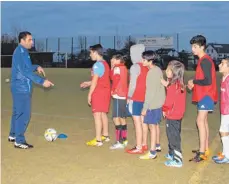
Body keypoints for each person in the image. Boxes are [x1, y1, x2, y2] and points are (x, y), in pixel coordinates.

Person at [8, 31, 54, 149]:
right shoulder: (19, 52)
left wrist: (36, 66)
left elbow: (27, 68)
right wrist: (42, 81)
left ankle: (13, 135)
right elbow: (25, 71)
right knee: (24, 114)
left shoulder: (23, 52)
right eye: (29, 40)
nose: (32, 42)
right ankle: (19, 140)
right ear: (22, 41)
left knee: (17, 112)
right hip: (21, 88)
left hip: (19, 87)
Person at [188, 35, 218, 162]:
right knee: (203, 121)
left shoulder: (205, 60)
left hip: (206, 95)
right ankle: (204, 148)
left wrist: (193, 81)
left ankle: (202, 152)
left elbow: (207, 80)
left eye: (195, 47)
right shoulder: (203, 60)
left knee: (200, 121)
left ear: (202, 47)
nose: (192, 49)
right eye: (192, 46)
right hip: (204, 95)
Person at [80, 44, 111, 146]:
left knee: (97, 115)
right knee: (103, 114)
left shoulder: (97, 65)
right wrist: (88, 83)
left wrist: (90, 94)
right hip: (106, 92)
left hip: (99, 92)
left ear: (95, 52)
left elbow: (95, 81)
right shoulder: (105, 63)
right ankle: (105, 135)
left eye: (91, 52)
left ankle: (98, 140)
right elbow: (101, 79)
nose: (90, 55)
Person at [139, 50, 165, 159]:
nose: (142, 61)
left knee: (152, 127)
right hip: (158, 103)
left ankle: (152, 152)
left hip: (152, 105)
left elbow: (150, 91)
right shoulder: (158, 69)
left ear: (150, 61)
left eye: (144, 60)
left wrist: (145, 107)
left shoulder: (151, 72)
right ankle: (157, 145)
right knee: (156, 125)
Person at [161, 60, 186, 167]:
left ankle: (178, 160)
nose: (166, 71)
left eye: (168, 69)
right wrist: (166, 83)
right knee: (173, 134)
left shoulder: (173, 86)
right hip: (178, 114)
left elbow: (169, 101)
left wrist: (164, 110)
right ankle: (171, 153)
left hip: (172, 115)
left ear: (174, 72)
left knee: (173, 136)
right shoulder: (178, 83)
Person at [126, 44, 148, 154]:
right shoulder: (147, 66)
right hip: (145, 98)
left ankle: (138, 146)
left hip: (136, 97)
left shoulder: (135, 67)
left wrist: (129, 96)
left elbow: (132, 84)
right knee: (144, 122)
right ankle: (144, 144)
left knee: (137, 122)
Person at [109, 54, 129, 149]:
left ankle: (119, 141)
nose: (111, 61)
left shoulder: (117, 68)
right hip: (123, 95)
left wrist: (113, 90)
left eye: (113, 59)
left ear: (117, 60)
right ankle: (124, 139)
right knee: (122, 118)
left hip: (118, 95)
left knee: (115, 118)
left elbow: (115, 79)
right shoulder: (124, 68)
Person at [212, 58, 229, 164]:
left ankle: (227, 155)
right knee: (225, 131)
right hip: (224, 110)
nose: (219, 65)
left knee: (223, 131)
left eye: (223, 64)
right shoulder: (224, 78)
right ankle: (225, 153)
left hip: (227, 111)